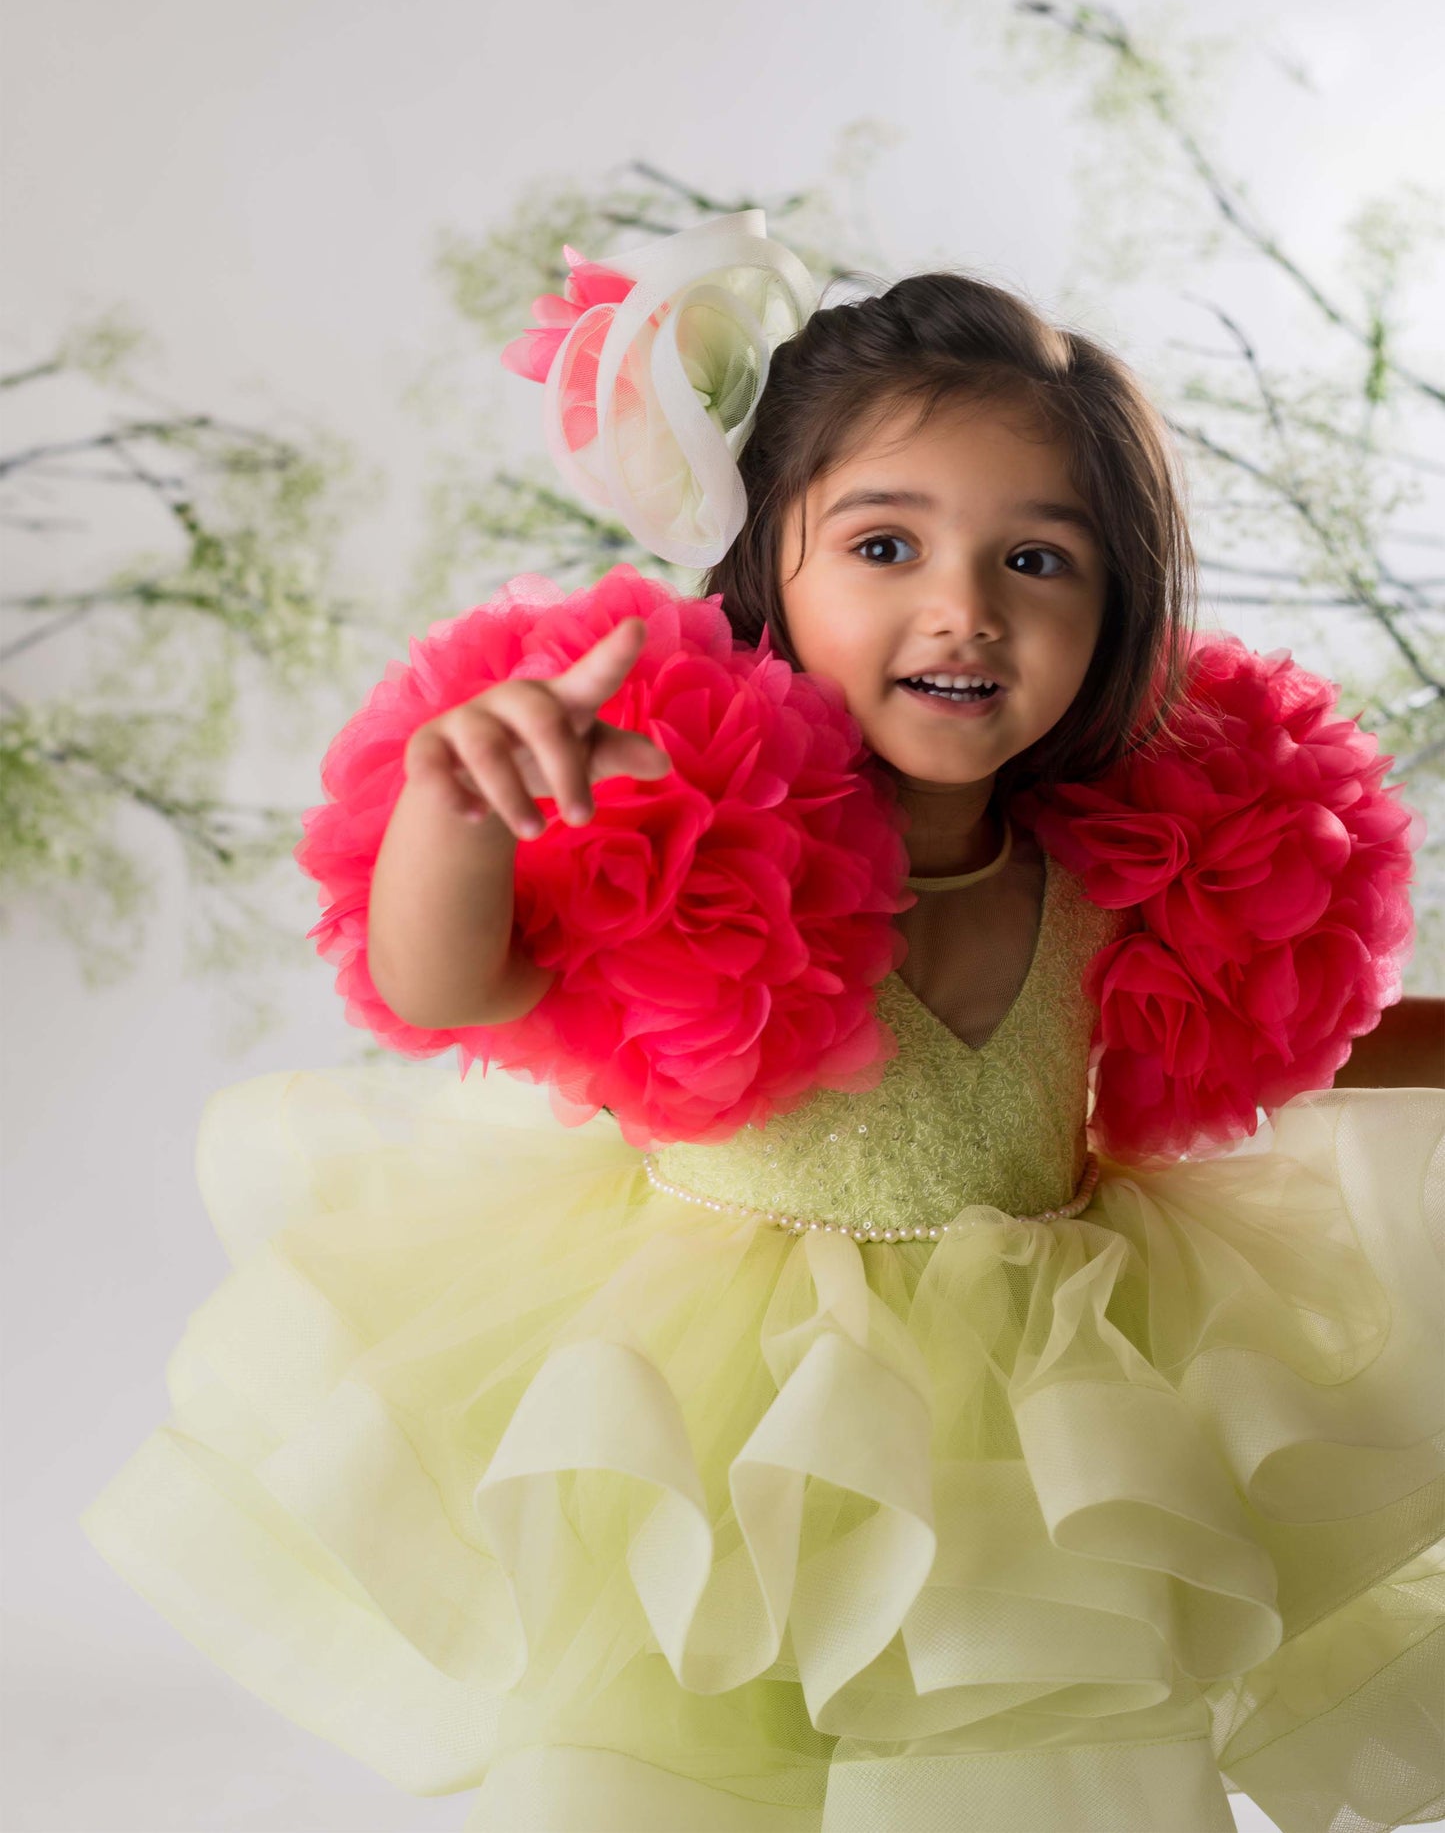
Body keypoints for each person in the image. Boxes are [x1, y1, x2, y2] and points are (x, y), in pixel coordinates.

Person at [81, 212, 1445, 1833]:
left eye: (1036, 559)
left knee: (1018, 1753)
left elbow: (1286, 1046)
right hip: (711, 1401)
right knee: (691, 1757)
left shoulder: (1121, 869)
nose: (963, 610)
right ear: (766, 570)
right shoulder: (696, 833)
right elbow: (457, 985)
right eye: (884, 547)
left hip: (1031, 1425)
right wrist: (457, 809)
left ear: (1117, 606)